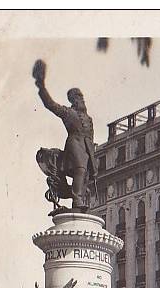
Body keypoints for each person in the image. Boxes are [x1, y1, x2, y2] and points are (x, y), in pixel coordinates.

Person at [33, 60, 97, 211]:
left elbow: (91, 138)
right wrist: (41, 86)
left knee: (84, 175)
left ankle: (77, 200)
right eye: (77, 98)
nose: (81, 100)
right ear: (73, 100)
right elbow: (51, 105)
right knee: (79, 169)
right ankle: (77, 201)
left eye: (81, 97)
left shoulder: (89, 119)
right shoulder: (69, 113)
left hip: (87, 149)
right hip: (74, 145)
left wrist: (94, 162)